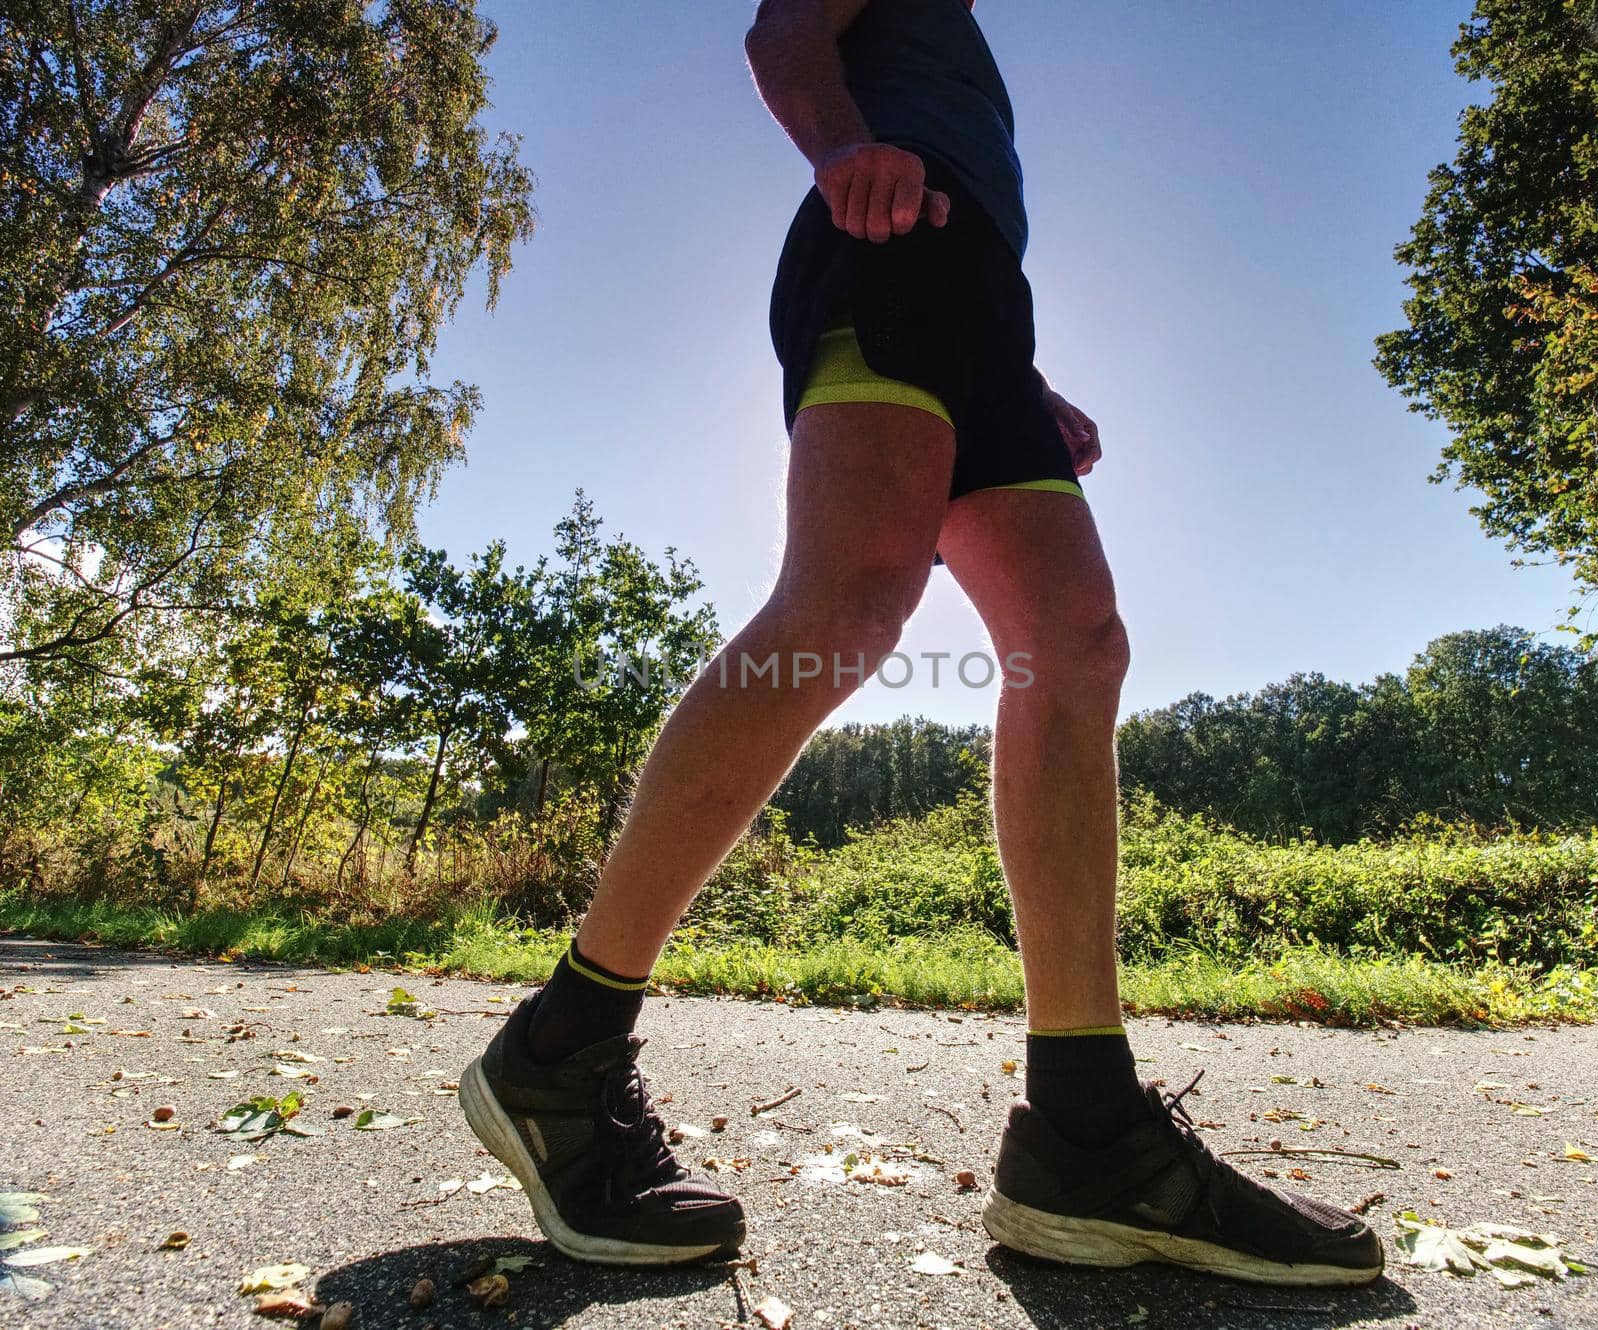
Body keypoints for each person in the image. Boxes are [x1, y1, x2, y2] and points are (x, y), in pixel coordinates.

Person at [459, 0, 1384, 1285]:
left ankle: (1087, 1131)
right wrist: (841, 151)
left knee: (1076, 643)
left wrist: (1021, 379)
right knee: (844, 605)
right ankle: (560, 1049)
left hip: (978, 295)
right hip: (886, 231)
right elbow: (784, 36)